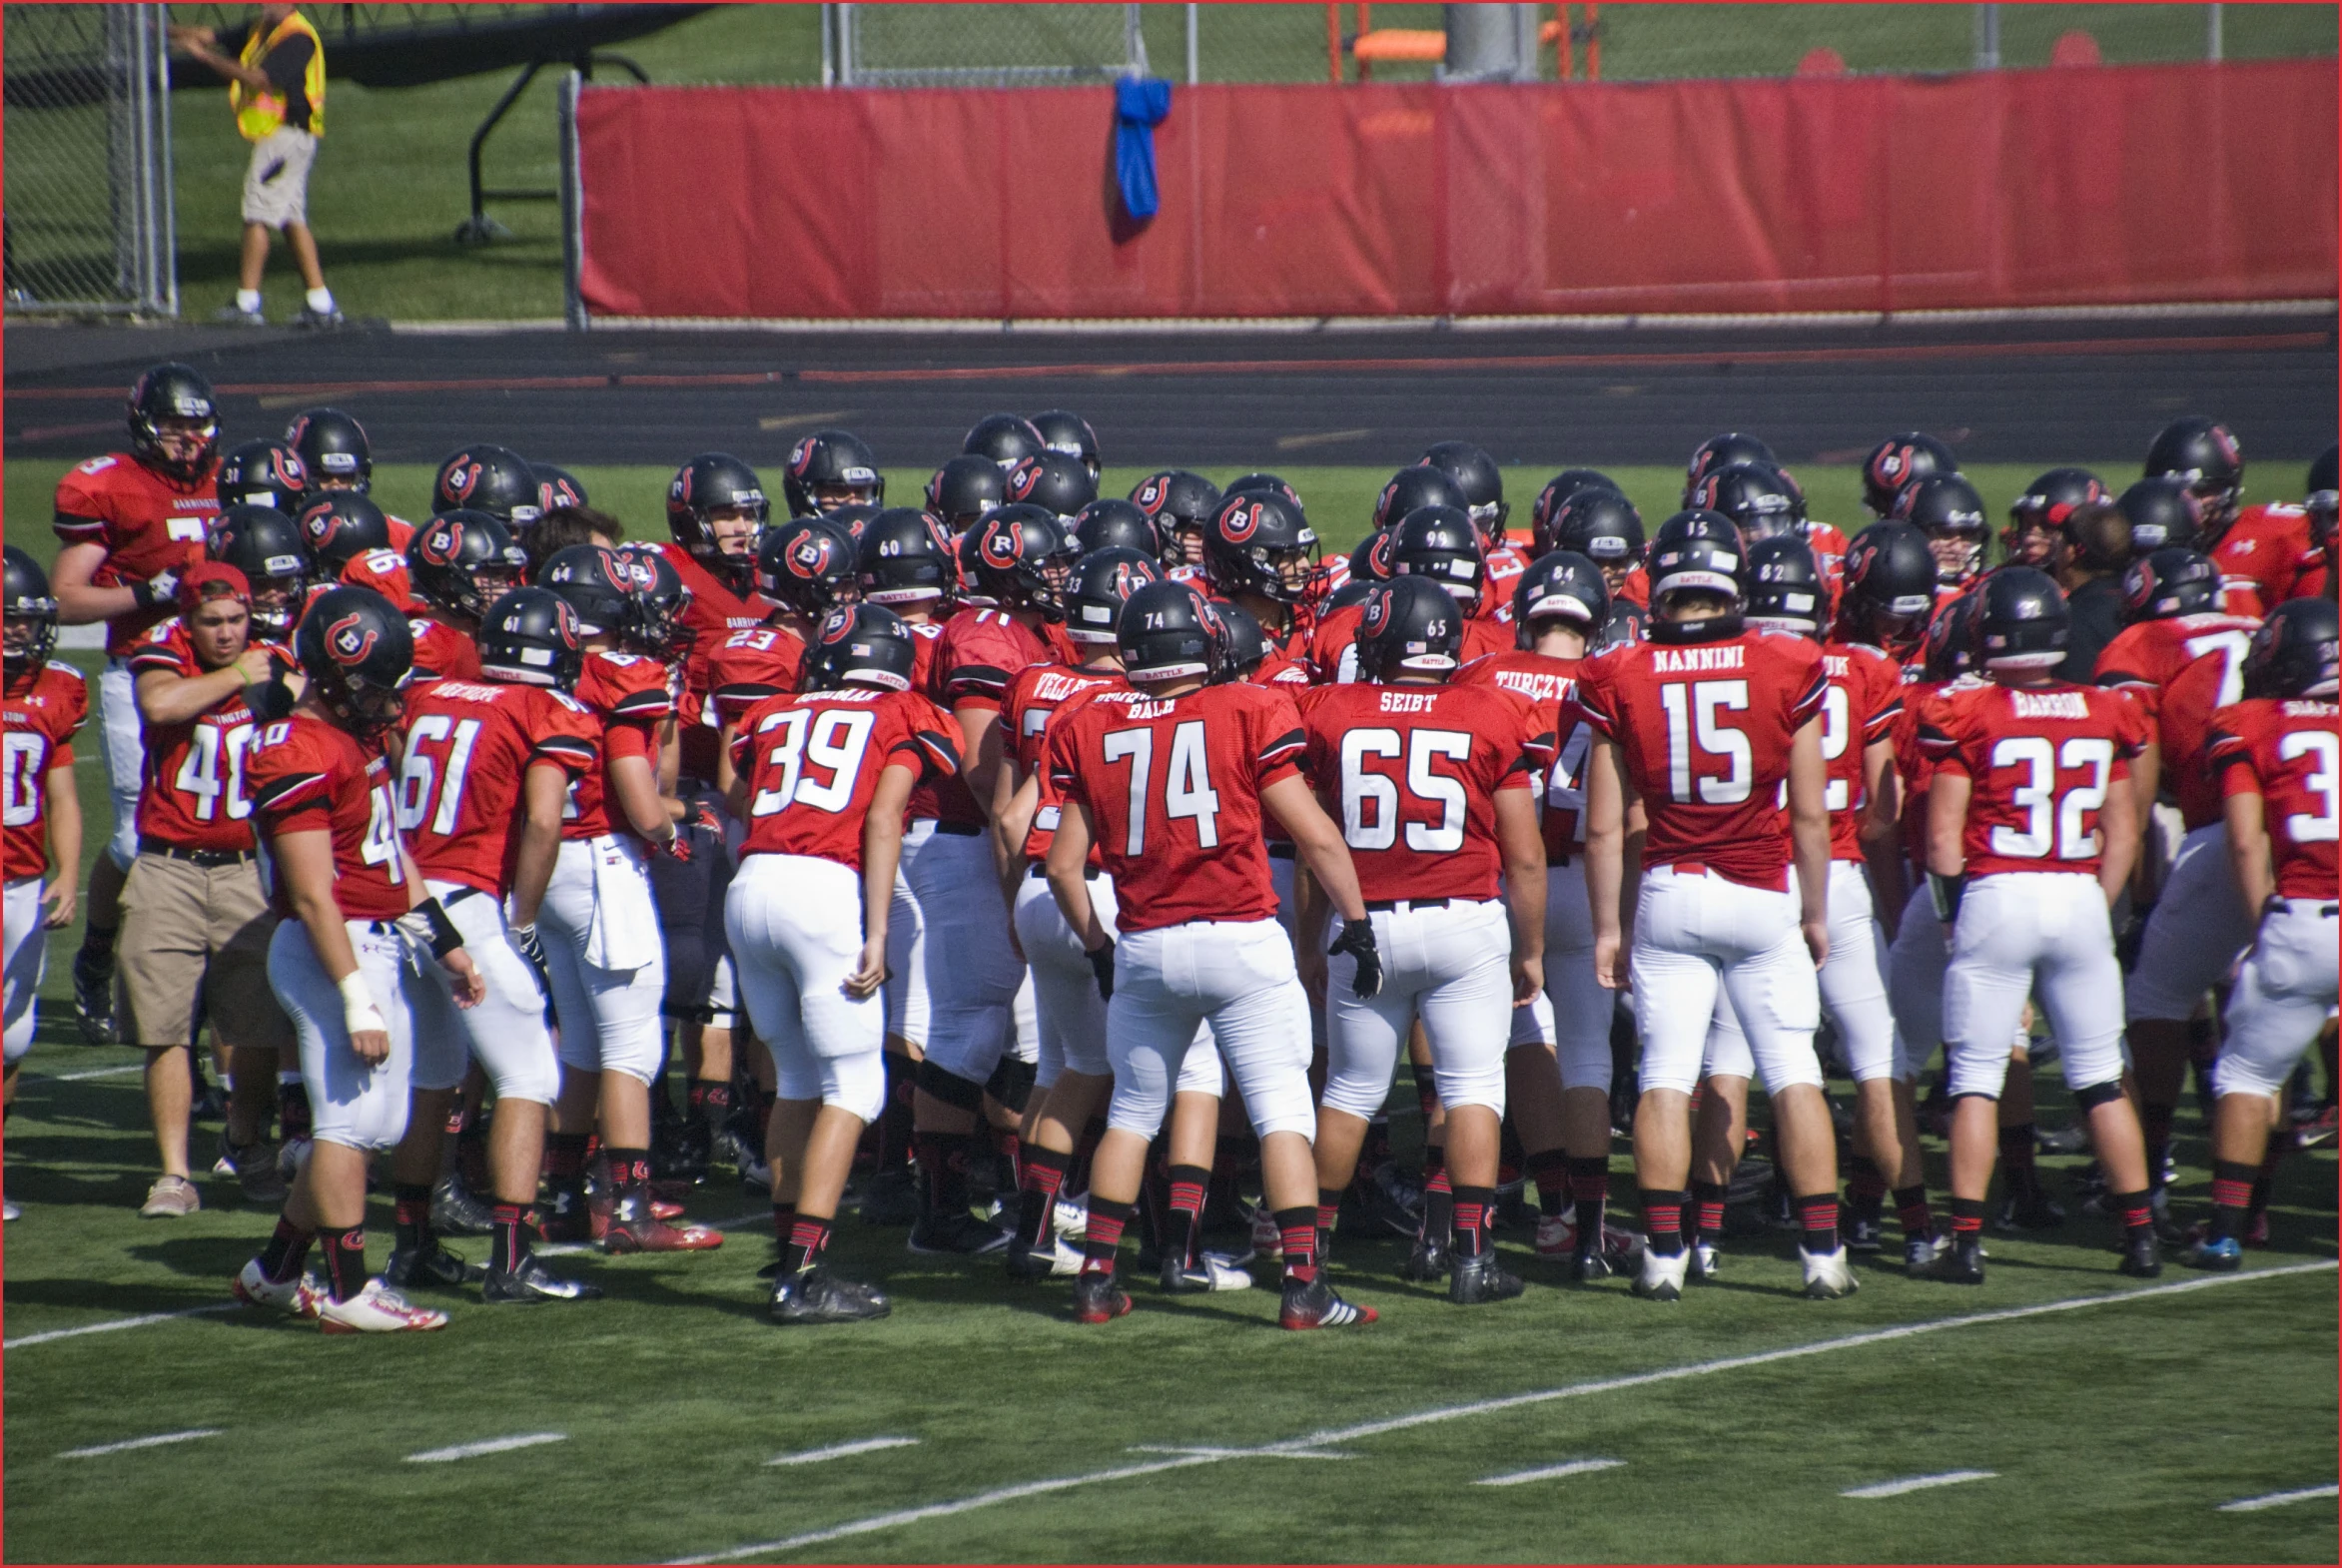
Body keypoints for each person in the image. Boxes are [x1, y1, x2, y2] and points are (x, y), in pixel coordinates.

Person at [1044, 580, 1384, 1329]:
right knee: (1280, 1113)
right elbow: (1317, 835)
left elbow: (1064, 866)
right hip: (1239, 940)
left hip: (1146, 944)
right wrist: (1355, 923)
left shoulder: (1087, 720)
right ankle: (1303, 1289)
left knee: (1132, 1114)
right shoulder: (1248, 708)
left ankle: (1096, 1280)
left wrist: (1098, 946)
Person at [1576, 512, 1858, 1302]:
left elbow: (1604, 826)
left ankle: (1663, 1257)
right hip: (1760, 889)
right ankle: (1822, 1253)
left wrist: (1608, 927)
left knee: (1665, 1071)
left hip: (1669, 890)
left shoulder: (1619, 673)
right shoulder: (1786, 662)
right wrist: (1813, 907)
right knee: (1791, 1069)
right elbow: (1809, 813)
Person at [232, 585, 484, 1332]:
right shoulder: (295, 747)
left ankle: (276, 1270)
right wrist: (354, 996)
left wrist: (446, 942)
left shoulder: (353, 737)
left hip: (375, 937)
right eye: (373, 690)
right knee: (350, 1124)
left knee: (376, 1120)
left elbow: (391, 854)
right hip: (328, 946)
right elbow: (313, 896)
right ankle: (346, 1291)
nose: (386, 706)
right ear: (332, 677)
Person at [1298, 577, 1550, 1304]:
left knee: (1350, 1090)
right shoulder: (1492, 710)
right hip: (1461, 919)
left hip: (1365, 923)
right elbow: (1525, 855)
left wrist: (1311, 938)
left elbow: (1316, 844)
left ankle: (1305, 1255)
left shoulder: (1327, 710)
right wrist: (1527, 949)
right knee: (1473, 1087)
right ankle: (1470, 1258)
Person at [1918, 567, 2160, 1285]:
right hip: (2077, 897)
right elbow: (2124, 833)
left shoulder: (1967, 711)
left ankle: (1964, 1242)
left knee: (1974, 1080)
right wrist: (2095, 902)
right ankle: (2141, 1235)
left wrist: (1953, 919)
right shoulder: (2104, 708)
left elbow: (1940, 841)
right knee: (2098, 1080)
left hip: (1997, 893)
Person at [727, 604, 962, 1322]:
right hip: (821, 890)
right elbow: (884, 817)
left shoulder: (776, 711)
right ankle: (805, 1273)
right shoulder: (903, 712)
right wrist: (878, 930)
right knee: (855, 1088)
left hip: (751, 885)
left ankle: (784, 1250)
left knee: (796, 1077)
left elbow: (742, 794)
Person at [392, 586, 605, 1303]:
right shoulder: (548, 710)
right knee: (528, 1076)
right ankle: (511, 1259)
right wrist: (523, 918)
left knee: (434, 1074)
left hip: (405, 898)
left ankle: (413, 1244)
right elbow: (544, 822)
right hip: (467, 905)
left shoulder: (428, 695)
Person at [50, 364, 224, 1047]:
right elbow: (65, 599)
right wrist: (150, 592)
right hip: (138, 666)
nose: (187, 442)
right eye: (175, 428)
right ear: (146, 426)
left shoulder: (226, 483)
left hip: (219, 671)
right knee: (135, 836)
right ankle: (98, 954)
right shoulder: (110, 484)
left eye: (196, 428)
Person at [123, 562, 298, 1215]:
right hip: (167, 862)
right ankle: (174, 1173)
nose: (226, 634)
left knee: (254, 1029)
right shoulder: (165, 652)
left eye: (235, 621)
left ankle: (247, 1137)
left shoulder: (274, 657)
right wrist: (236, 677)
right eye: (212, 622)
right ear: (189, 622)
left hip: (245, 869)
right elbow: (160, 703)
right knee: (166, 1029)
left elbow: (309, 707)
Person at [2186, 598, 2340, 1268]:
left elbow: (2246, 842)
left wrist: (2260, 924)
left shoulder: (2247, 722)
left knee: (2247, 1073)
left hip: (2303, 919)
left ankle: (2226, 1231)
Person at [3, 548, 86, 1223]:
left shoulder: (56, 688)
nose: (17, 633)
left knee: (14, 1036)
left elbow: (61, 792)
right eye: (5, 621)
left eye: (25, 622)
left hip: (22, 882)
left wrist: (68, 872)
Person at [171, 6, 339, 328]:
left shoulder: (296, 38)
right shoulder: (263, 27)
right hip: (283, 137)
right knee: (291, 218)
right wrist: (153, 29)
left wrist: (204, 57)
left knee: (257, 213)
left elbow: (258, 79)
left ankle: (247, 303)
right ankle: (321, 303)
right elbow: (210, 35)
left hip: (285, 137)